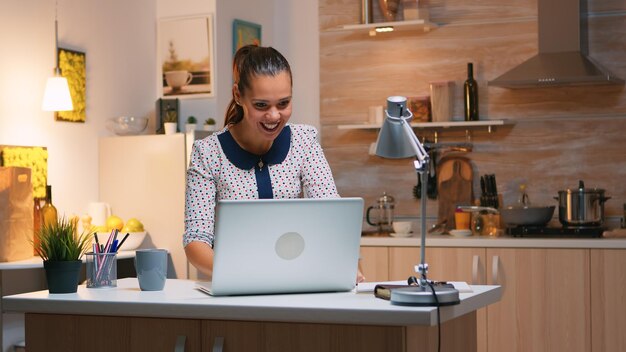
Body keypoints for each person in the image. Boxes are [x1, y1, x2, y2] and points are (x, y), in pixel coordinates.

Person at [183, 45, 364, 282]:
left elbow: (333, 217)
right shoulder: (207, 153)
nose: (274, 116)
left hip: (298, 281)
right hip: (234, 289)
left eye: (283, 103)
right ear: (238, 95)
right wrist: (243, 276)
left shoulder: (304, 141)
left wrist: (350, 265)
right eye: (261, 105)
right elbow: (196, 240)